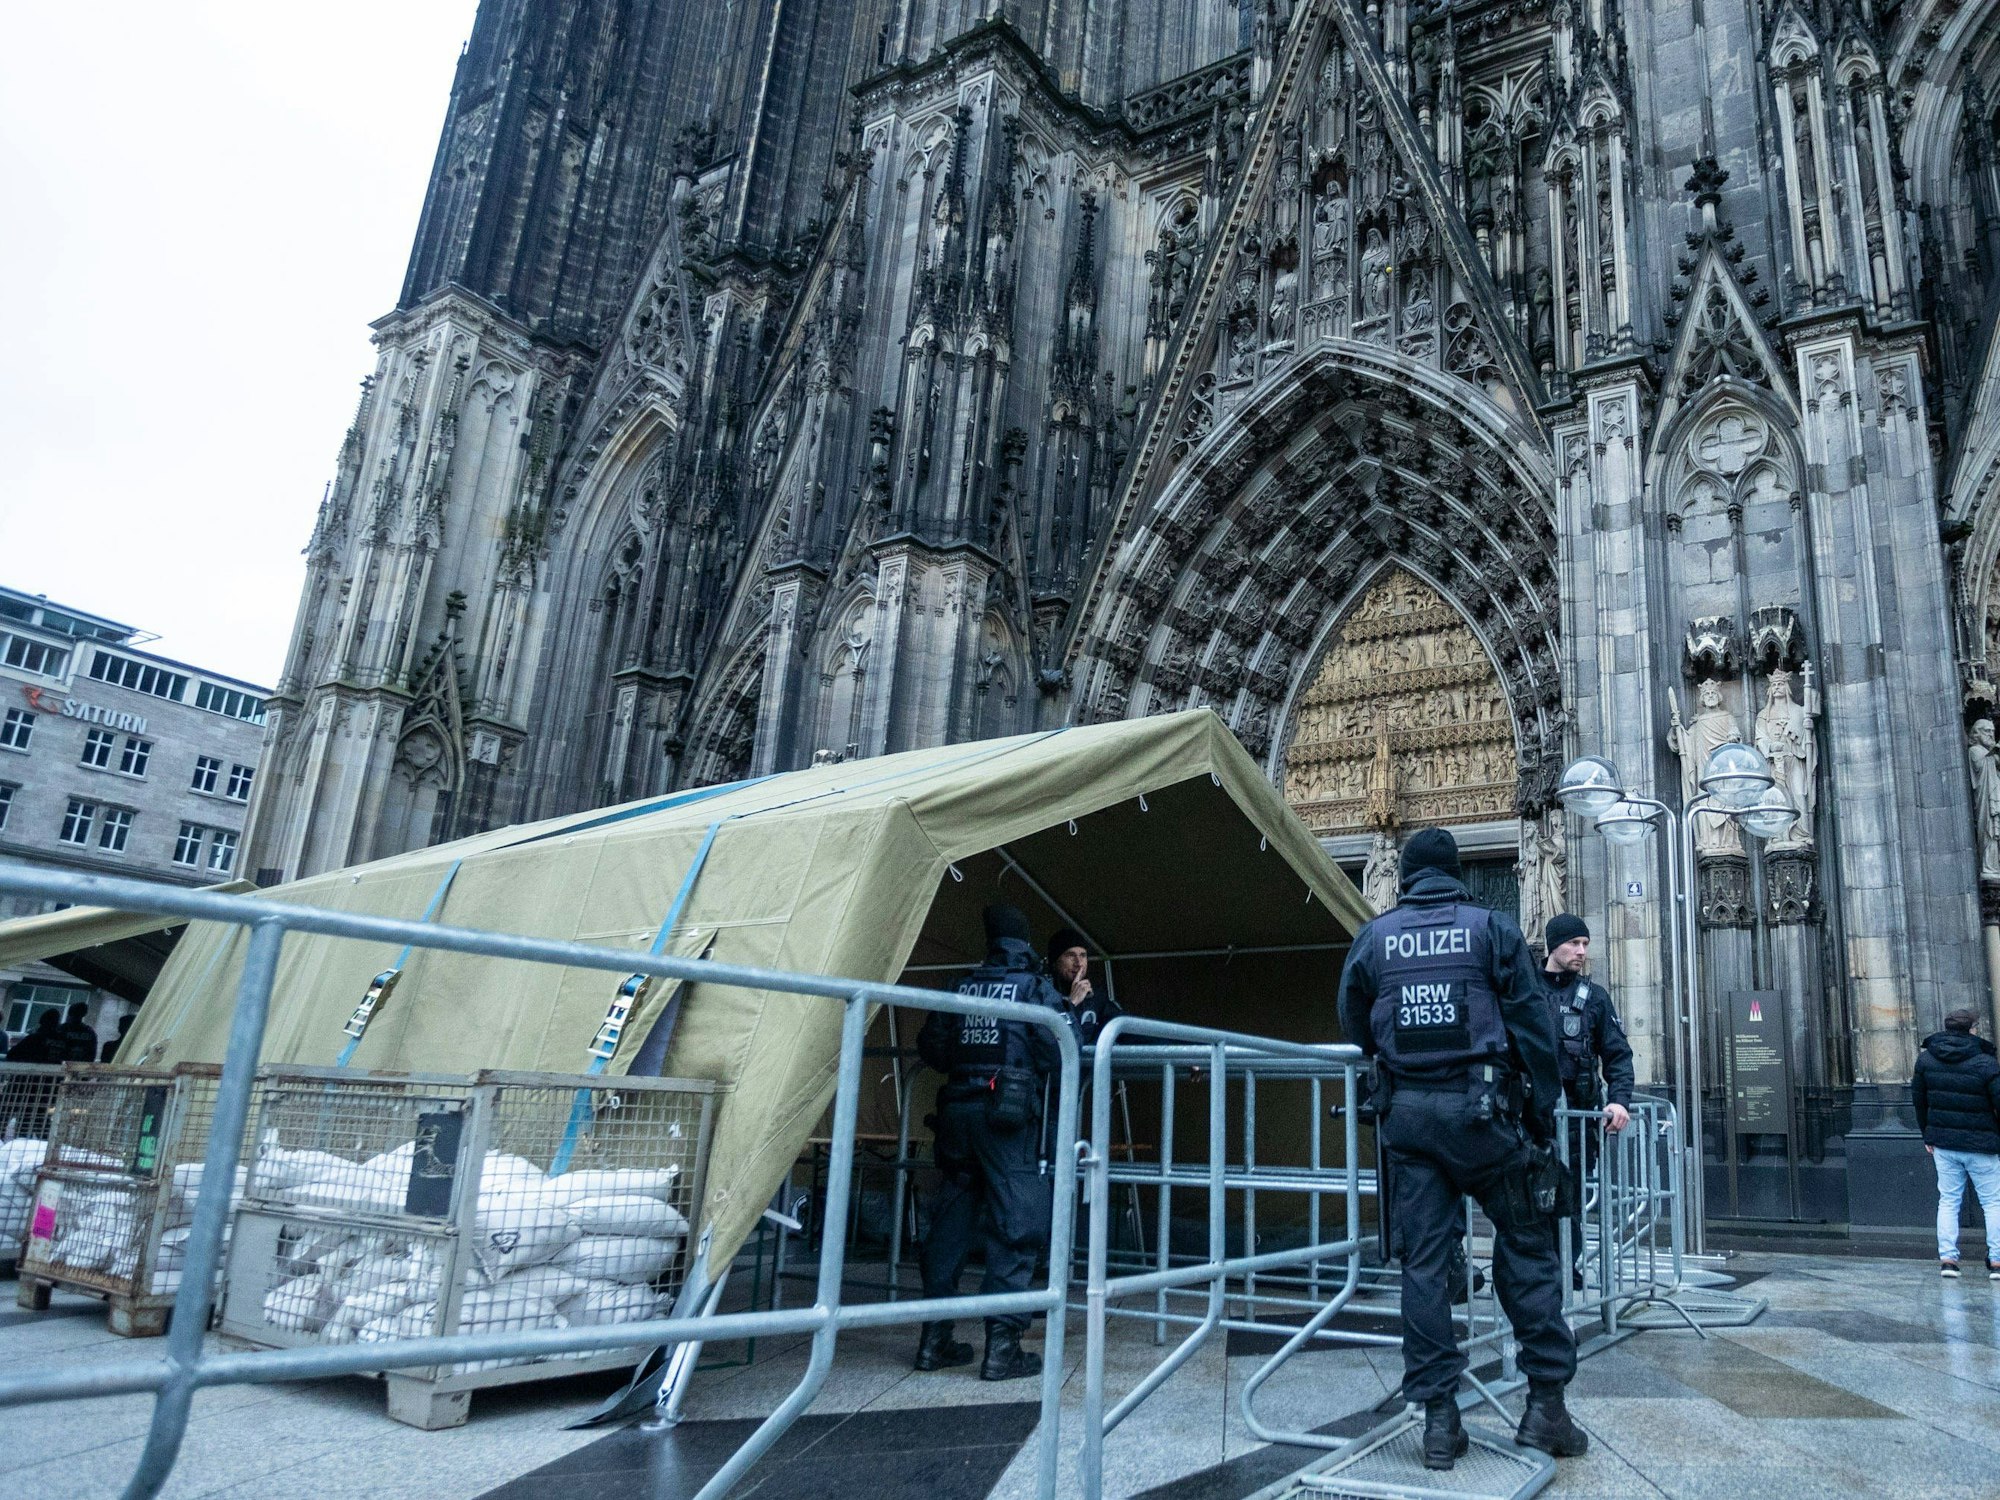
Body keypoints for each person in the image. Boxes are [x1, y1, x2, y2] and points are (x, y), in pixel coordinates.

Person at [1336, 827, 1584, 1470]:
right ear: (1456, 875)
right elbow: (1531, 1024)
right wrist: (1540, 1112)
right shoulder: (1491, 928)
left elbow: (1353, 1018)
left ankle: (1440, 1421)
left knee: (1422, 1265)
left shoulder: (1375, 937)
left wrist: (1391, 1060)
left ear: (1405, 876)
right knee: (1527, 1242)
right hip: (1482, 1117)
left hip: (1409, 1123)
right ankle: (1545, 1406)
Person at [915, 904, 1064, 1380]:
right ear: (1025, 942)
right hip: (1007, 1120)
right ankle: (1002, 1349)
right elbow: (1059, 1052)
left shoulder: (961, 985)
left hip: (958, 1113)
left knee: (950, 1224)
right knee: (1016, 1224)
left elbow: (933, 1047)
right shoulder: (1033, 987)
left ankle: (932, 1341)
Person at [1541, 914, 1635, 1286]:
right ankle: (1537, 1270)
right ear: (1553, 945)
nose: (1581, 951)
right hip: (1532, 1120)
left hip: (1579, 1123)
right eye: (1574, 943)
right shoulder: (1524, 991)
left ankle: (1567, 1265)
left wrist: (1620, 1101)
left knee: (1572, 1199)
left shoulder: (1594, 998)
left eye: (1586, 944)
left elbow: (1617, 1056)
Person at [1912, 1007, 2000, 1279]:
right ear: (1972, 1029)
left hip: (1944, 1143)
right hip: (1982, 1143)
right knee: (1993, 1202)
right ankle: (1997, 1260)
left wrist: (1927, 1133)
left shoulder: (1927, 1060)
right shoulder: (1985, 1062)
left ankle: (1948, 1259)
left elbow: (1919, 1100)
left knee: (1949, 1201)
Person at [1047, 927, 1123, 1048]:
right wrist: (1071, 1004)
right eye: (1070, 955)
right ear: (1055, 962)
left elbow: (1123, 1026)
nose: (1078, 963)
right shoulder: (1041, 993)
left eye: (1083, 955)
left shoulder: (1095, 996)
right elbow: (1047, 1041)